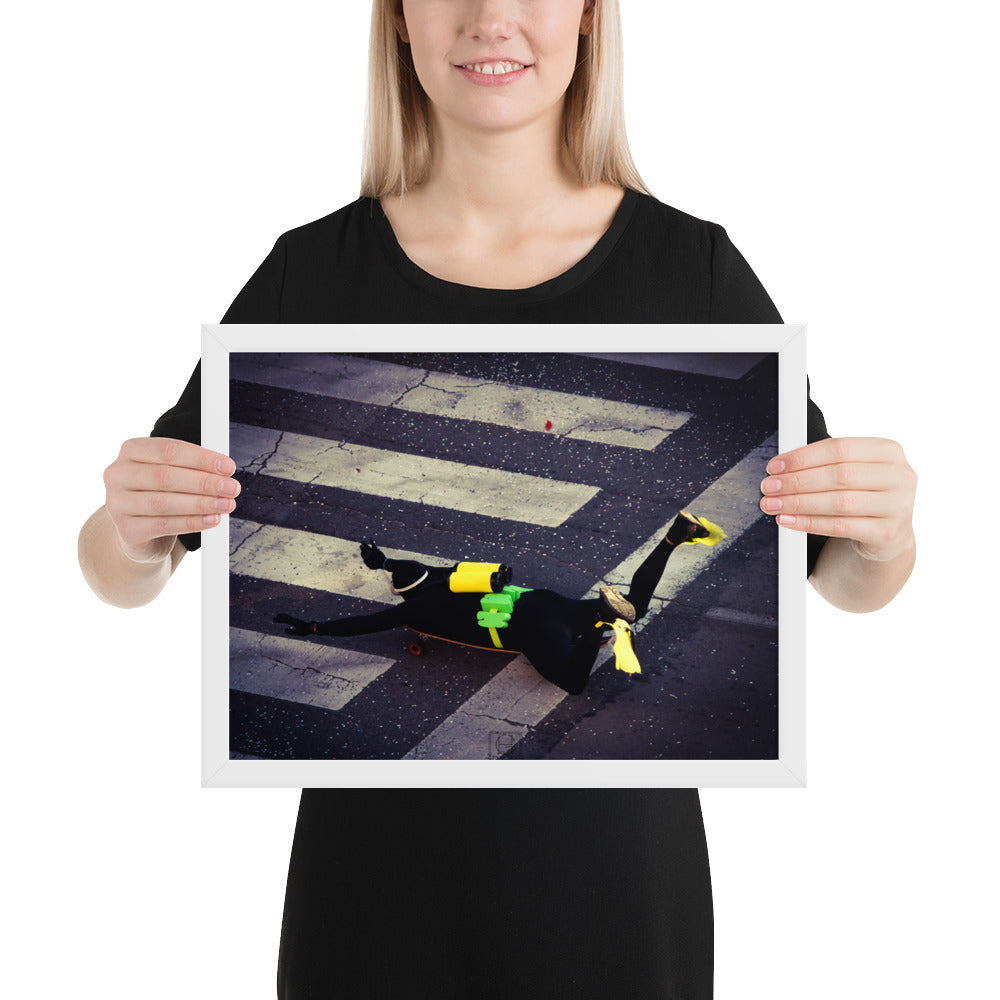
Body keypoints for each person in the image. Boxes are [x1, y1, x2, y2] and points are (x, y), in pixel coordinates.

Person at [78, 2, 917, 997]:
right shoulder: (312, 272)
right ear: (396, 19)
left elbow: (842, 575)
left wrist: (883, 530)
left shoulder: (691, 270)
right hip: (373, 891)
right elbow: (125, 565)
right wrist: (132, 528)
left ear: (591, 18)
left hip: (615, 888)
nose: (491, 18)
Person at [272, 511, 716, 696]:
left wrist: (314, 628)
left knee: (575, 682)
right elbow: (406, 566)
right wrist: (382, 560)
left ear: (403, 593)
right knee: (637, 604)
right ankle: (674, 535)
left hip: (527, 631)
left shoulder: (413, 610)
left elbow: (366, 623)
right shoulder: (449, 575)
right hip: (542, 602)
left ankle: (603, 624)